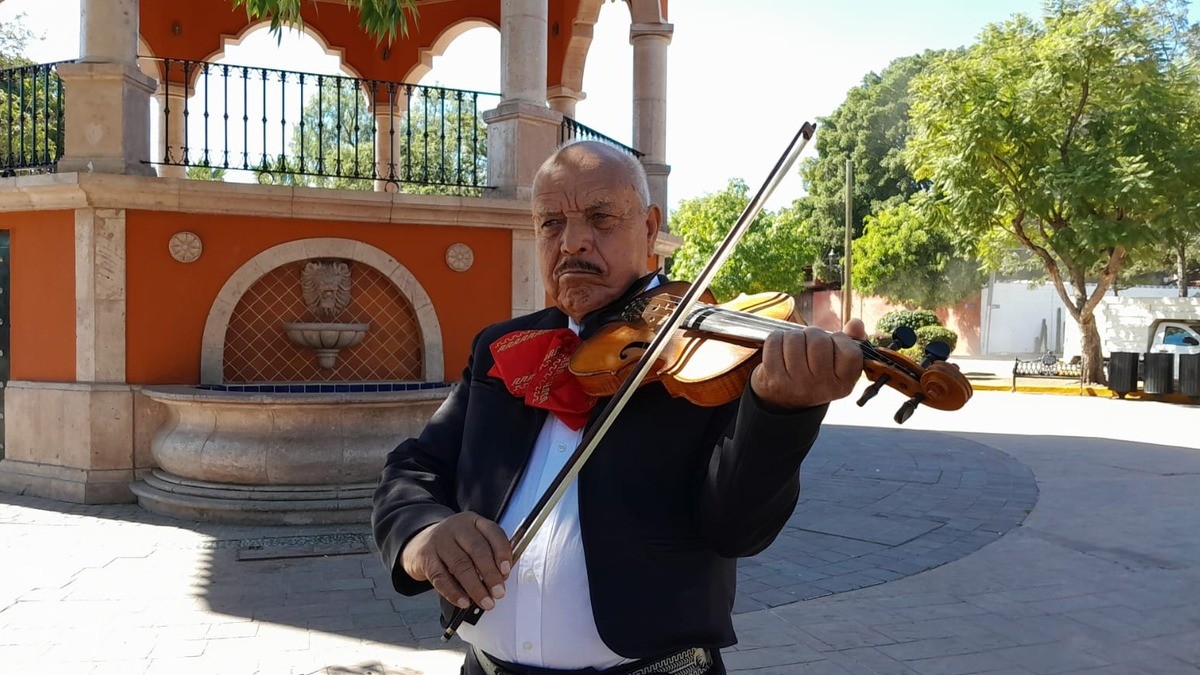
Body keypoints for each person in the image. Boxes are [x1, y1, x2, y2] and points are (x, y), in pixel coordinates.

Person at [373, 141, 864, 675]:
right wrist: (422, 535)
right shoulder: (502, 348)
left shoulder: (704, 358)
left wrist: (783, 411)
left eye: (601, 217)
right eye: (551, 223)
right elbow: (413, 468)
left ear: (650, 228)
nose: (573, 242)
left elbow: (738, 530)